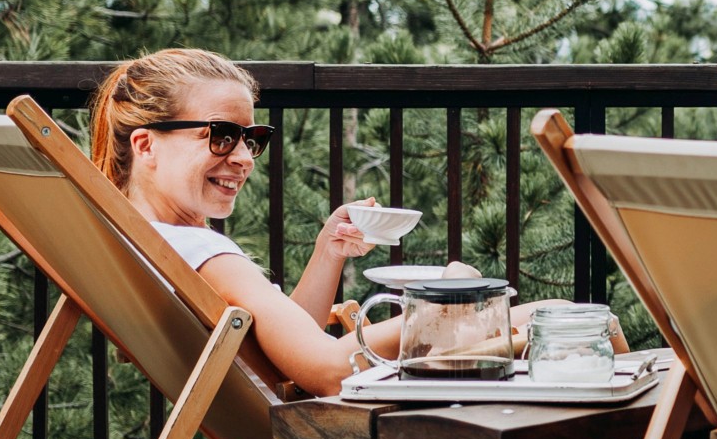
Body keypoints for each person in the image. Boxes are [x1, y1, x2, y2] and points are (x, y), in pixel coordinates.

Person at [88, 48, 622, 400]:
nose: (245, 157)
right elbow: (323, 369)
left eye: (253, 138)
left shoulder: (152, 241)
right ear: (146, 145)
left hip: (280, 402)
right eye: (222, 135)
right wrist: (452, 307)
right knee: (576, 323)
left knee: (558, 323)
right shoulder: (204, 252)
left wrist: (328, 253)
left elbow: (281, 339)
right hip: (330, 410)